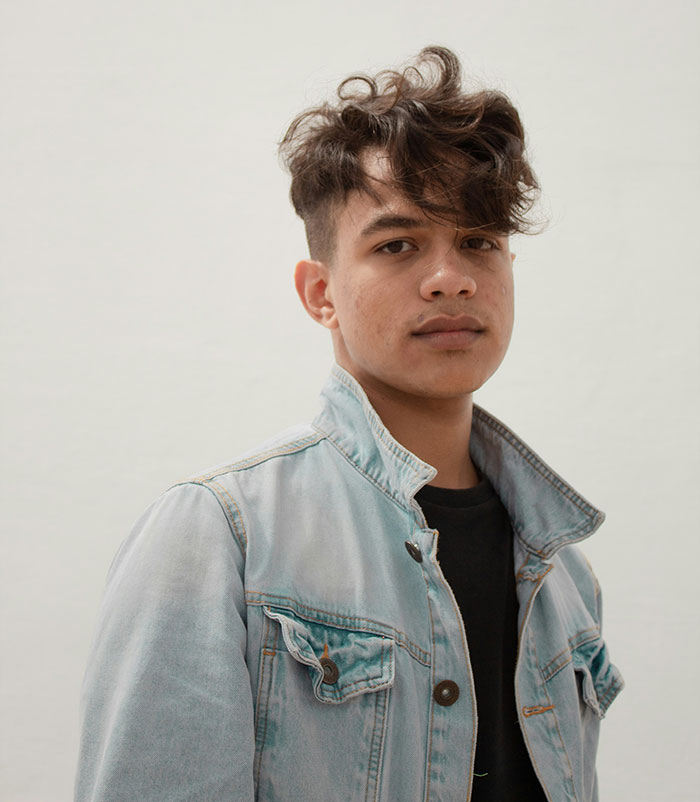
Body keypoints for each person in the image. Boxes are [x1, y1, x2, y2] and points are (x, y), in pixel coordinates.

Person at [74, 46, 623, 802]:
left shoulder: (564, 573)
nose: (451, 276)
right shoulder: (220, 535)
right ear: (320, 292)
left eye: (479, 242)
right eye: (397, 245)